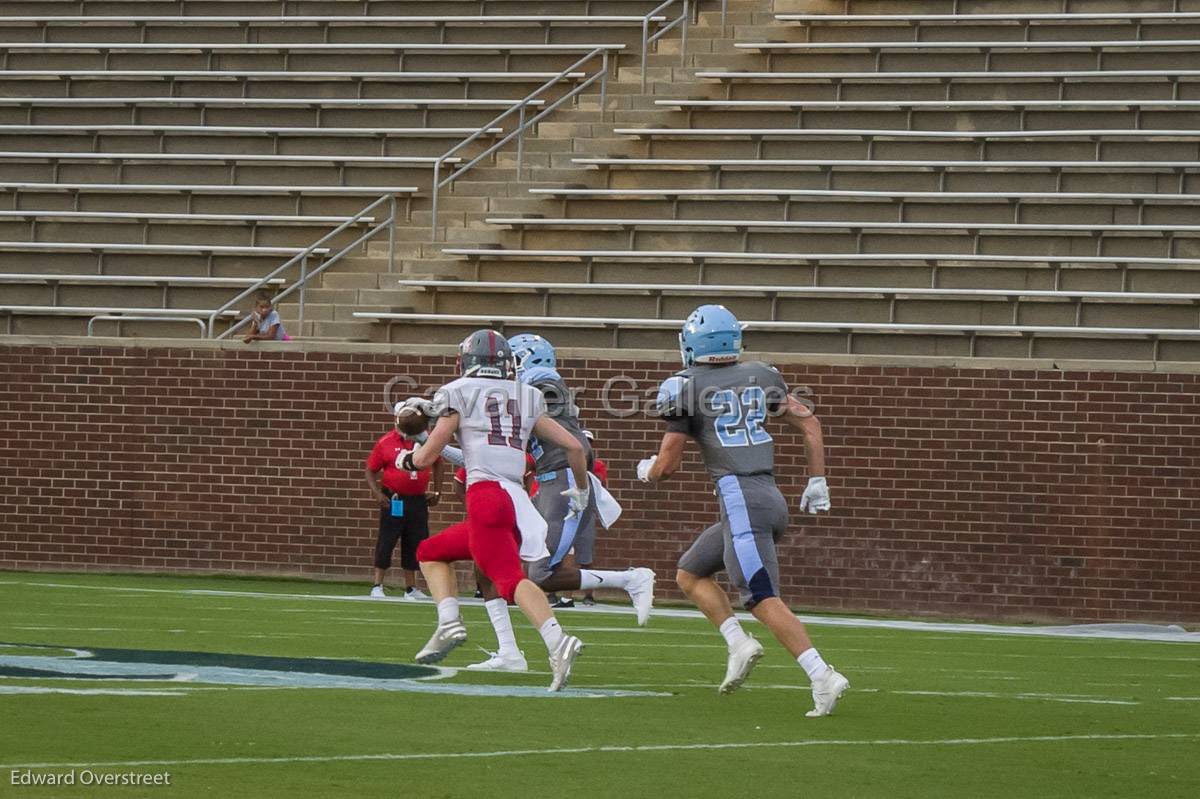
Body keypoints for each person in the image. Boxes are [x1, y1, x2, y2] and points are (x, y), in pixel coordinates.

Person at [637, 304, 848, 717]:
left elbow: (668, 464)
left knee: (761, 597)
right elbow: (811, 425)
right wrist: (817, 480)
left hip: (740, 501)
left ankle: (821, 674)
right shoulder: (762, 375)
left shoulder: (685, 386)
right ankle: (738, 642)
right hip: (768, 496)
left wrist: (648, 471)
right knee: (690, 572)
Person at [404, 329, 589, 692]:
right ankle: (450, 622)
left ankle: (557, 640)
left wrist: (408, 460)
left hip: (486, 495)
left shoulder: (457, 391)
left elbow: (427, 457)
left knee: (507, 580)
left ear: (465, 362)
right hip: (515, 500)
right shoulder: (529, 395)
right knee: (430, 551)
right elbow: (575, 447)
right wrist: (581, 491)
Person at [461, 333, 655, 672]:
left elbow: (577, 446)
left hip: (560, 484)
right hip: (543, 486)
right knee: (488, 563)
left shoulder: (543, 388)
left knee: (539, 574)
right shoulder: (533, 394)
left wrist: (580, 487)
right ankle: (508, 651)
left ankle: (630, 580)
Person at [363, 401, 443, 599]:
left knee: (415, 541)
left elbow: (438, 464)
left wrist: (437, 492)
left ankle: (411, 587)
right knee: (387, 539)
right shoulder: (386, 442)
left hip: (417, 500)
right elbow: (370, 470)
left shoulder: (426, 441)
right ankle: (377, 584)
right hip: (394, 499)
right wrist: (377, 493)